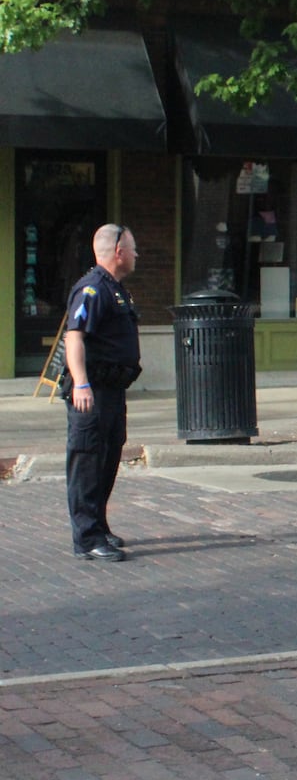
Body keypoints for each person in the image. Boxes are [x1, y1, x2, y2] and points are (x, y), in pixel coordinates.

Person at [63, 224, 142, 563]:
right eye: (133, 248)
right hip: (91, 392)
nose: (138, 255)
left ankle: (99, 525)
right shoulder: (93, 289)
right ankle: (86, 538)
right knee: (88, 461)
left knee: (108, 459)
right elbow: (74, 337)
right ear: (119, 252)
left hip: (111, 390)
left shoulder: (116, 290)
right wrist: (81, 382)